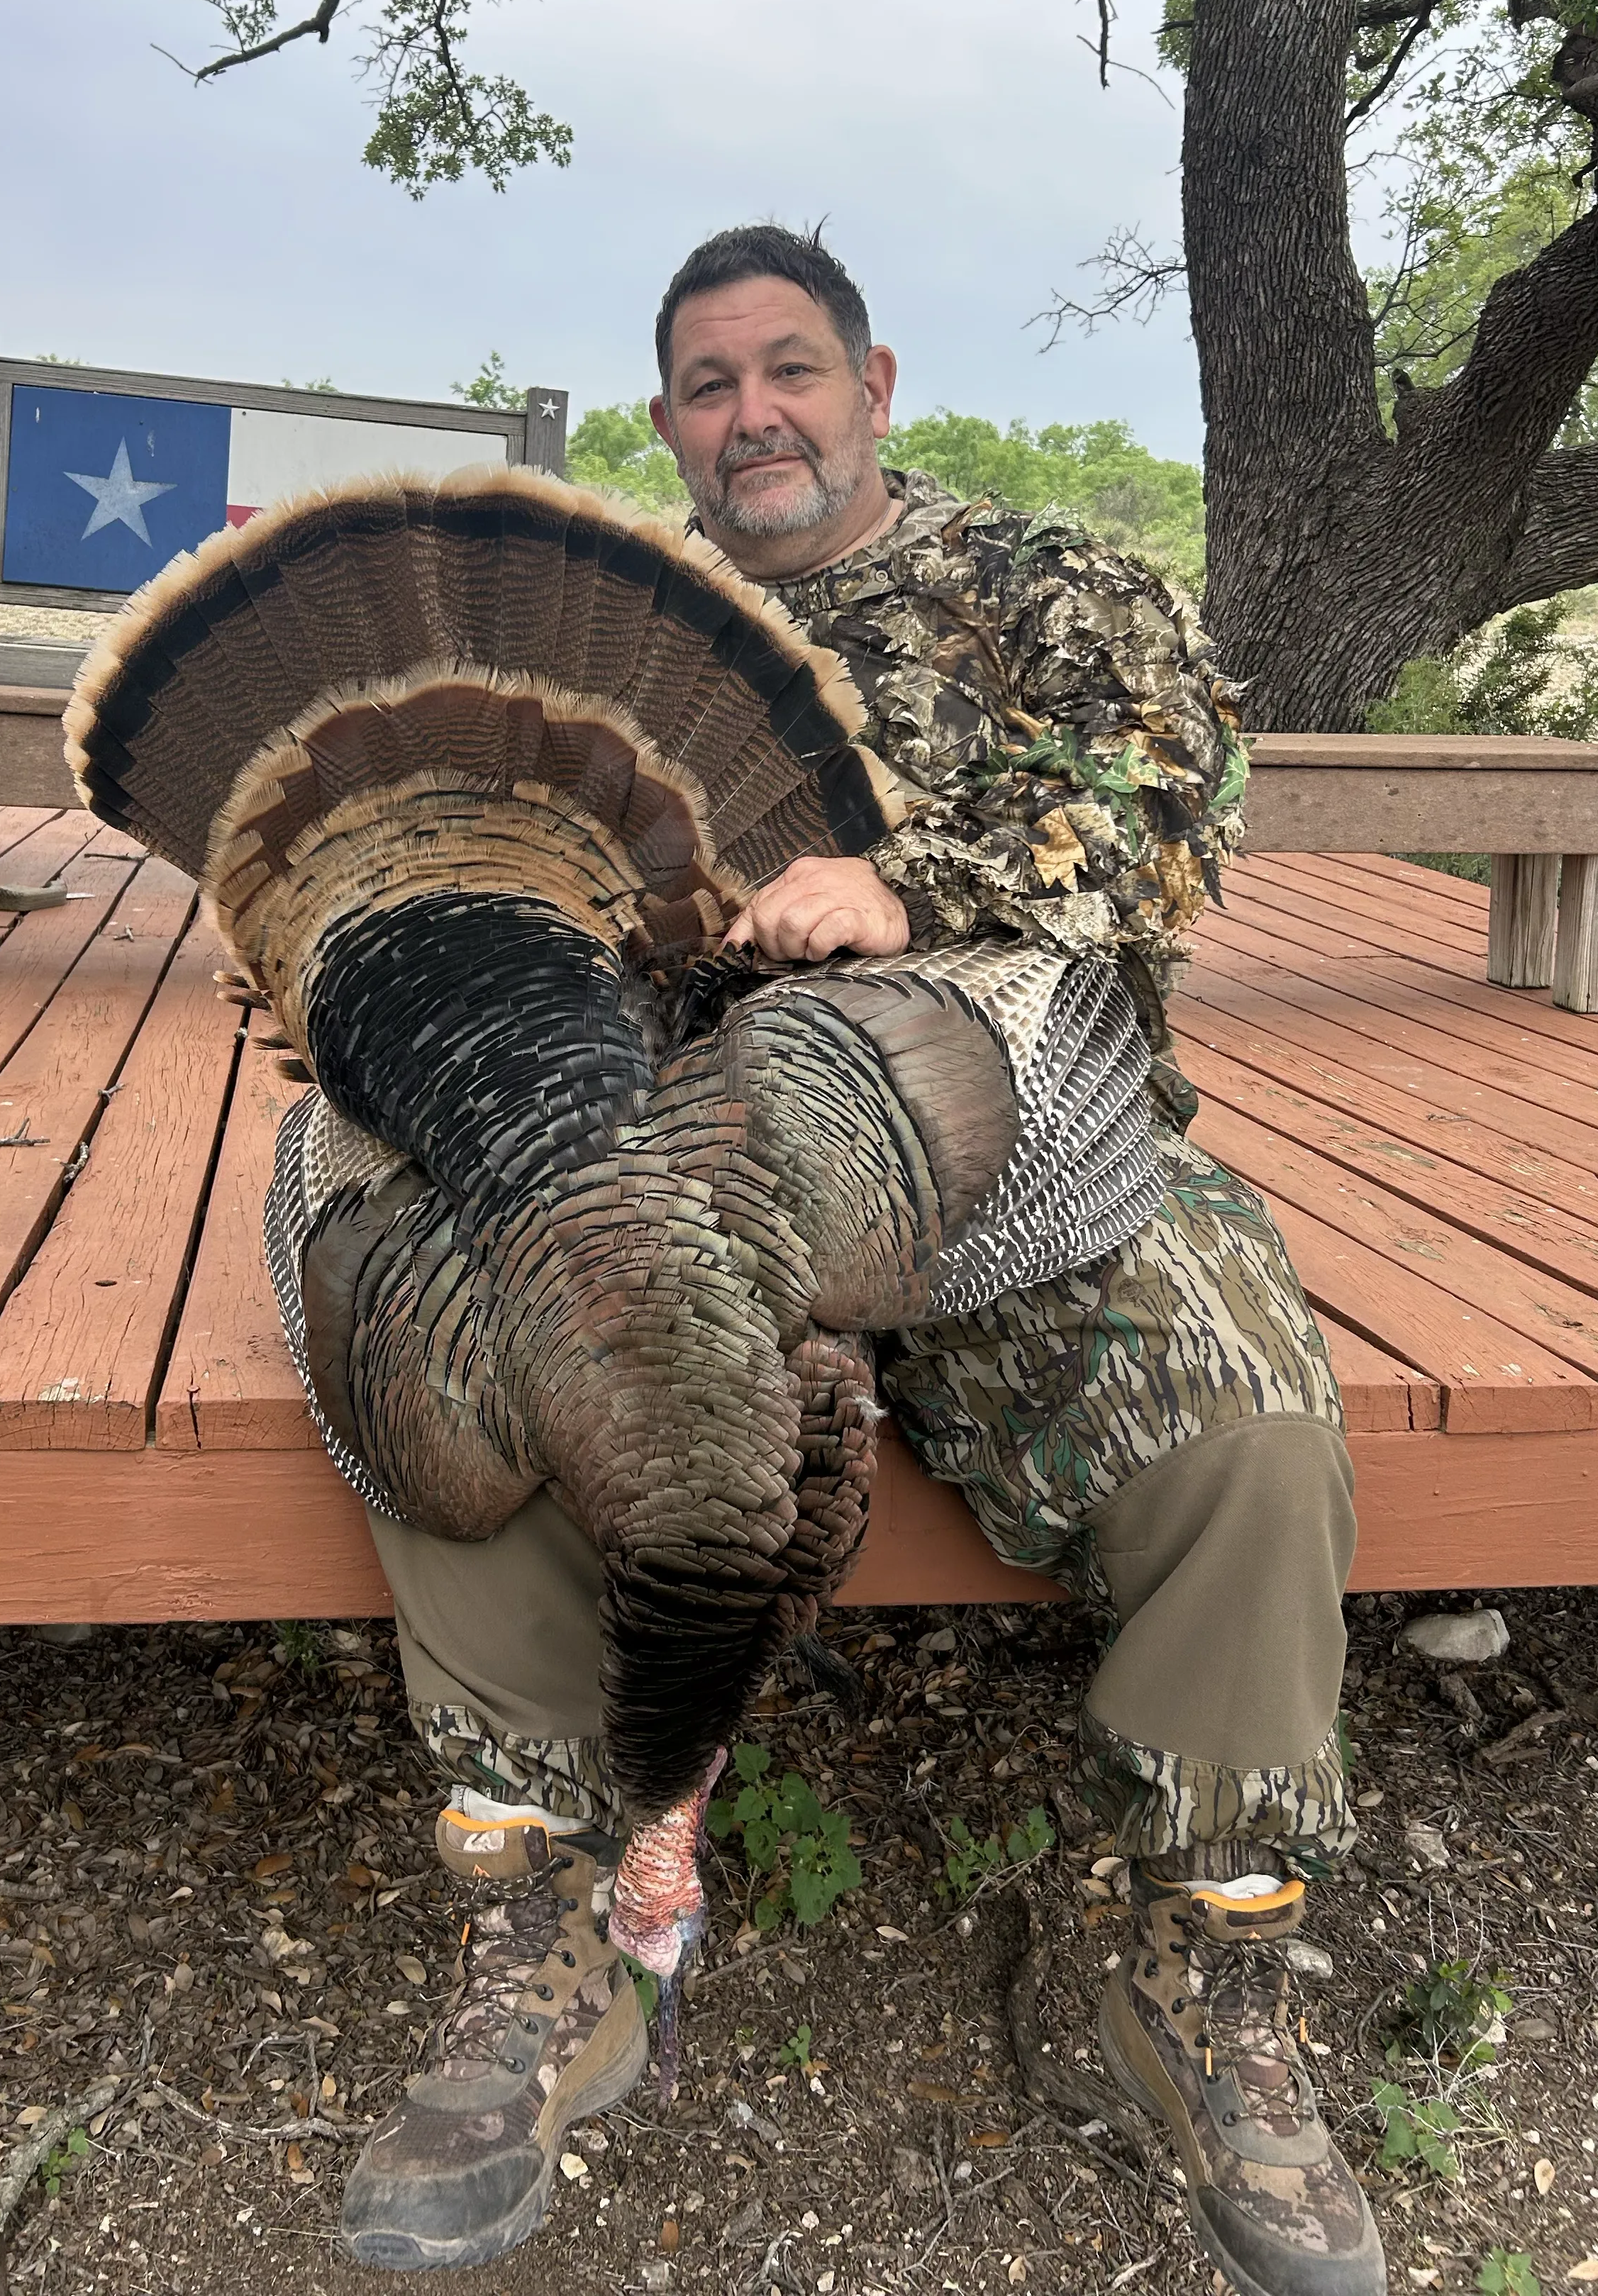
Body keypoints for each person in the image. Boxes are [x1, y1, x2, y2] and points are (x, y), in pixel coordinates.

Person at [338, 225, 1382, 2296]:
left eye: (791, 372)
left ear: (876, 382)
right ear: (669, 424)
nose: (757, 419)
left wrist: (911, 888)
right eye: (712, 388)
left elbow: (1176, 816)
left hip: (1020, 1145)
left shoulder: (1039, 587)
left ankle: (1197, 1958)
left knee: (1247, 1428)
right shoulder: (596, 630)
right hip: (659, 1152)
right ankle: (568, 1929)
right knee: (442, 1355)